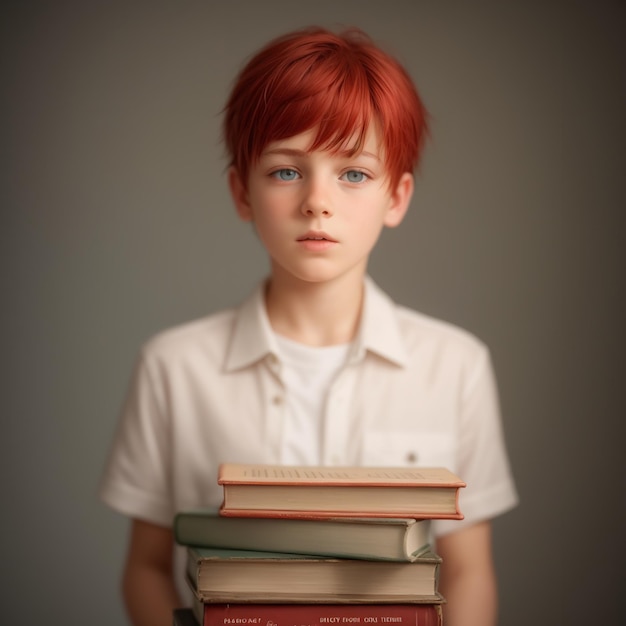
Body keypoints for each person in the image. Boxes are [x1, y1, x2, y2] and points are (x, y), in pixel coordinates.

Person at [99, 26, 518, 626]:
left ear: (396, 198)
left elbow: (470, 567)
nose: (318, 201)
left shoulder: (456, 364)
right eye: (286, 172)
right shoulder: (172, 366)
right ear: (241, 192)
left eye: (354, 174)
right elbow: (144, 566)